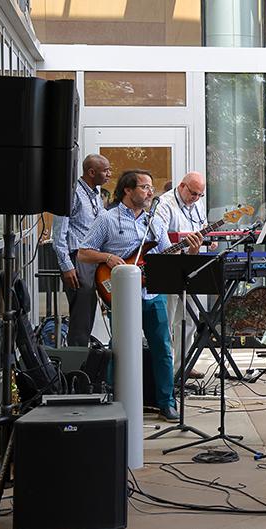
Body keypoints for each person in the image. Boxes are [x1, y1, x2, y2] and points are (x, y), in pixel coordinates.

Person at [77, 169, 203, 423]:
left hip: (151, 293)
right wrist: (107, 257)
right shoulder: (107, 220)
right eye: (144, 187)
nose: (150, 192)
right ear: (128, 190)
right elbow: (83, 252)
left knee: (163, 349)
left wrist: (190, 252)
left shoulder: (154, 222)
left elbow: (169, 256)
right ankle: (116, 400)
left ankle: (167, 403)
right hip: (120, 295)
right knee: (120, 349)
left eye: (150, 187)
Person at [158, 171, 215, 380]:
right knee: (168, 318)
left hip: (192, 265)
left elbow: (201, 227)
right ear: (182, 186)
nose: (196, 198)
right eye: (193, 193)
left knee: (190, 318)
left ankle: (184, 365)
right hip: (170, 267)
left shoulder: (197, 203)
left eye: (200, 195)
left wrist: (208, 240)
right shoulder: (164, 205)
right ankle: (165, 368)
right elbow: (159, 238)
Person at [51, 154, 110, 347]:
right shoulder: (72, 193)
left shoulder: (95, 194)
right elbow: (59, 234)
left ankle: (89, 361)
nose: (109, 174)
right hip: (76, 258)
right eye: (105, 170)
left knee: (92, 310)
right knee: (81, 316)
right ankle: (76, 369)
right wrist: (67, 266)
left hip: (94, 257)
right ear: (91, 172)